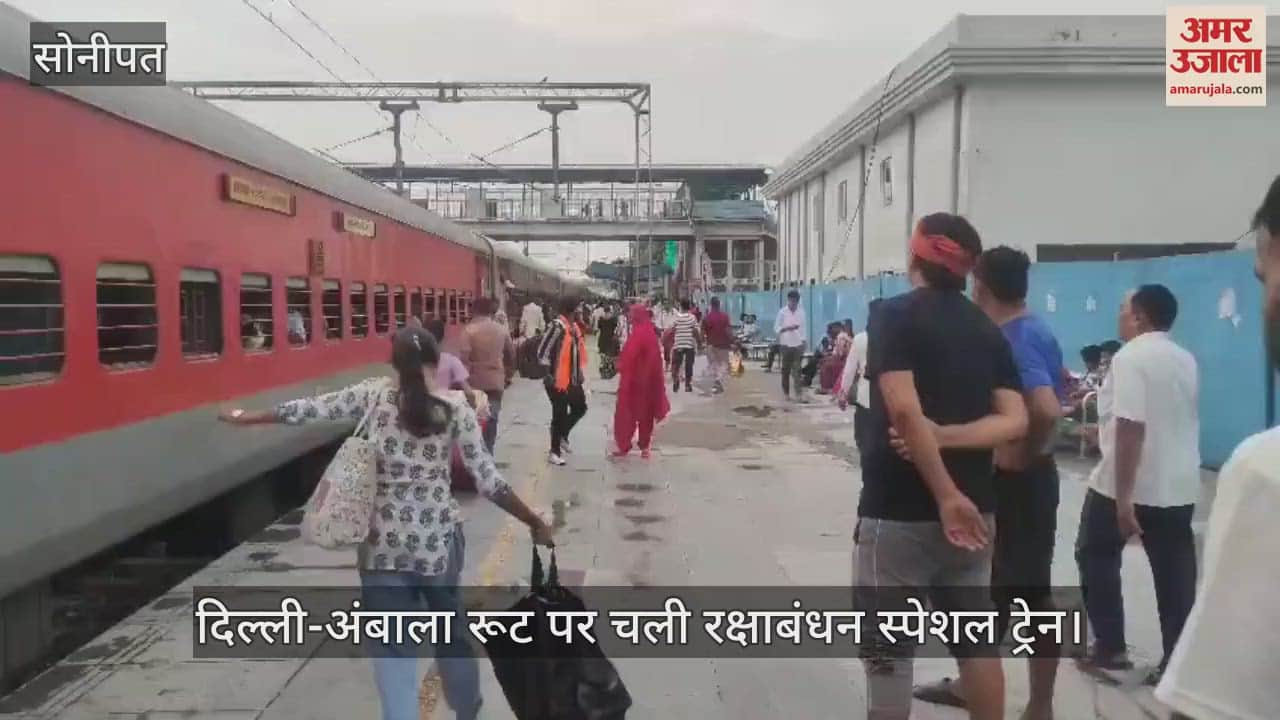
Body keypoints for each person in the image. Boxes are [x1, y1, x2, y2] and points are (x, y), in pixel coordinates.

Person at [217, 327, 554, 720]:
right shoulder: (457, 409)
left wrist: (247, 417)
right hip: (438, 547)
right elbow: (488, 482)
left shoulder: (373, 397)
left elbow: (311, 409)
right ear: (434, 362)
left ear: (392, 364)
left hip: (382, 550)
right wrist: (532, 520)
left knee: (393, 650)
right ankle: (467, 708)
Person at [858, 212, 1027, 720]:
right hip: (977, 516)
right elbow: (1015, 420)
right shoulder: (986, 329)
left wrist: (944, 491)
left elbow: (904, 409)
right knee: (975, 645)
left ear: (915, 256)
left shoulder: (893, 315)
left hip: (900, 515)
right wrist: (952, 446)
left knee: (889, 653)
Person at [913, 246, 1066, 720]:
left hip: (1017, 482)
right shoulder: (1036, 328)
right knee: (1017, 592)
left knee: (1006, 596)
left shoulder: (1013, 340)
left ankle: (1024, 701)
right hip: (1034, 481)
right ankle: (988, 689)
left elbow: (1045, 407)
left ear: (979, 285)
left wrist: (1021, 453)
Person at [1155, 174, 1280, 720]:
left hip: (1143, 487)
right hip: (1180, 484)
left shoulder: (1266, 474)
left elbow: (1216, 708)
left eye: (1265, 276)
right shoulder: (1183, 357)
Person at [1075, 284, 1200, 683]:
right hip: (1178, 484)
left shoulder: (1130, 358)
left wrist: (1124, 501)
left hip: (1124, 485)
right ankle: (1176, 666)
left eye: (1123, 310)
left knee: (1094, 553)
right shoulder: (1185, 358)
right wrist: (1105, 433)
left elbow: (1131, 426)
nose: (1119, 316)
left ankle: (1110, 648)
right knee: (1175, 576)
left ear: (1140, 317)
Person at [612, 304, 671, 459]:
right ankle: (645, 448)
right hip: (649, 382)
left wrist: (620, 365)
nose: (629, 317)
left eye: (632, 314)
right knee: (646, 416)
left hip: (635, 382)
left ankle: (624, 445)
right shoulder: (650, 332)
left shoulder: (639, 333)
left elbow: (630, 355)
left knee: (627, 413)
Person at [536, 297, 589, 466]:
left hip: (572, 378)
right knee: (558, 414)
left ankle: (562, 434)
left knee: (580, 407)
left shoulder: (573, 327)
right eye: (579, 309)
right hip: (556, 379)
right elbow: (542, 351)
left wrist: (579, 370)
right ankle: (554, 451)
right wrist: (547, 375)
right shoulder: (557, 326)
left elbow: (575, 352)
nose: (582, 312)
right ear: (572, 310)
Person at [462, 298, 516, 455]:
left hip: (474, 384)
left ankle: (475, 457)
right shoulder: (501, 330)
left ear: (474, 310)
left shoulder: (468, 331)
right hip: (495, 383)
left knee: (473, 423)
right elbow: (511, 354)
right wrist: (507, 375)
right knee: (492, 420)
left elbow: (463, 359)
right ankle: (489, 455)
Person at [838, 301, 878, 455]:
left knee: (863, 439)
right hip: (889, 400)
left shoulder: (861, 338)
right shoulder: (896, 338)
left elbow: (849, 370)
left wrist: (843, 393)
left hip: (865, 398)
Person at [424, 319, 478, 401]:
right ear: (443, 337)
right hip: (442, 407)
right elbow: (469, 392)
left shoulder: (414, 361)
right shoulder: (451, 360)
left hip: (419, 408)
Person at [773, 289, 807, 401]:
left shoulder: (801, 312)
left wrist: (803, 341)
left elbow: (803, 329)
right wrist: (786, 328)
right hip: (785, 344)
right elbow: (776, 328)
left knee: (797, 370)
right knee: (786, 370)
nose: (793, 303)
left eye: (795, 301)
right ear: (788, 300)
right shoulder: (782, 312)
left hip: (798, 344)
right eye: (791, 301)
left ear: (798, 301)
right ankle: (786, 393)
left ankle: (799, 394)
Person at [669, 299, 702, 393]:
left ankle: (676, 380)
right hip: (689, 344)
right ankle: (687, 385)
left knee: (675, 365)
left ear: (680, 306)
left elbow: (672, 330)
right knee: (689, 365)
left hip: (678, 343)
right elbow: (695, 331)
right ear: (689, 307)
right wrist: (699, 343)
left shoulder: (676, 317)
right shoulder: (692, 317)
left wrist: (671, 341)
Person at [702, 297, 734, 394]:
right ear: (719, 305)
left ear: (711, 305)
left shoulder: (707, 318)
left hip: (711, 344)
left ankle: (717, 382)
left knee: (714, 364)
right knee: (724, 364)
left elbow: (702, 332)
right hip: (723, 345)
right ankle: (718, 381)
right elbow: (728, 331)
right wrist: (733, 340)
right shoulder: (725, 316)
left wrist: (701, 343)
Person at [802, 322, 838, 389]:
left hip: (823, 355)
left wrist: (827, 353)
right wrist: (826, 353)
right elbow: (823, 349)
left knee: (815, 362)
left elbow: (828, 350)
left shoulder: (832, 337)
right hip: (821, 354)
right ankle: (806, 376)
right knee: (815, 362)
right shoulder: (826, 337)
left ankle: (805, 374)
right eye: (829, 329)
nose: (828, 330)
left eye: (829, 329)